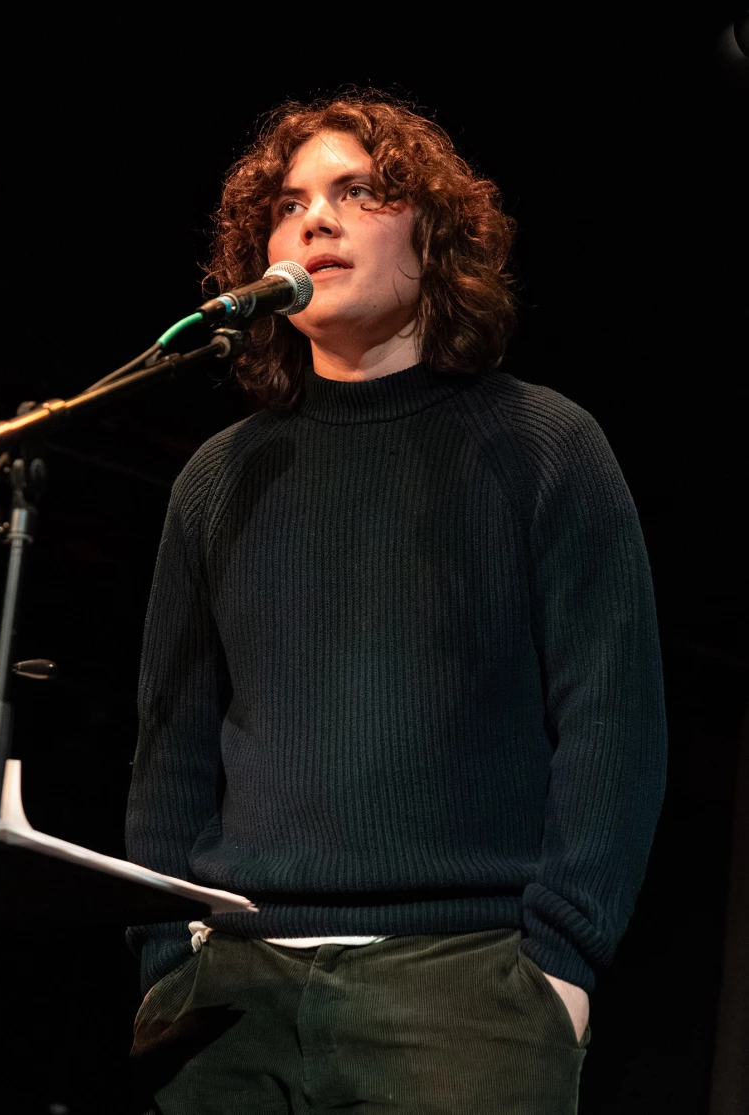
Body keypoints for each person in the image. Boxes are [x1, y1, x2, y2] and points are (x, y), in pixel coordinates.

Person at [125, 92, 667, 1114]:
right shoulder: (218, 476)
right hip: (229, 993)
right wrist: (166, 963)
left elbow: (614, 723)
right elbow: (172, 748)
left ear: (435, 232)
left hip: (462, 987)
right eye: (289, 205)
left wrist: (560, 966)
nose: (314, 221)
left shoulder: (541, 446)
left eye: (356, 191)